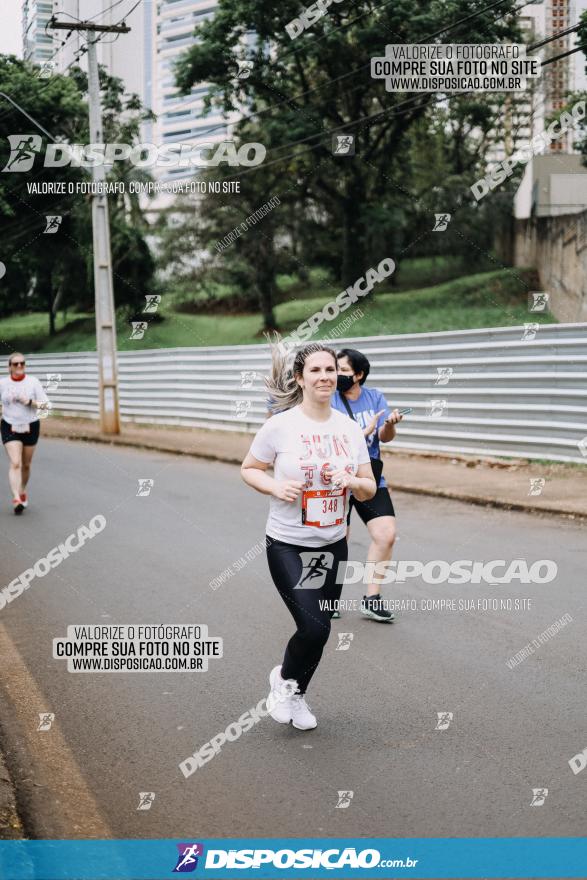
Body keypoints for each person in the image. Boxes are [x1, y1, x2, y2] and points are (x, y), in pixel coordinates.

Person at [241, 342, 376, 730]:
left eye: (330, 370)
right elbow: (249, 468)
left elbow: (368, 487)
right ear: (299, 378)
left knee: (320, 628)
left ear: (339, 375)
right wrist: (273, 488)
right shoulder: (280, 426)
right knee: (313, 625)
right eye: (315, 370)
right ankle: (285, 683)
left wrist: (350, 480)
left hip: (332, 544)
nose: (324, 377)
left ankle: (295, 692)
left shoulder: (349, 429)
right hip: (287, 543)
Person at [331, 348, 402, 623]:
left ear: (359, 374)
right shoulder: (330, 401)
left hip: (369, 475)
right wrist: (363, 433)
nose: (337, 375)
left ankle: (372, 599)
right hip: (337, 476)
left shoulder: (374, 397)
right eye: (336, 369)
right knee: (338, 538)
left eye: (343, 371)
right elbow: (331, 442)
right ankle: (329, 599)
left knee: (386, 534)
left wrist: (390, 425)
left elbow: (385, 437)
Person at [0, 353, 49, 514]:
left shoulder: (33, 382)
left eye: (22, 363)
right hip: (9, 425)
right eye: (16, 364)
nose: (19, 366)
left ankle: (21, 490)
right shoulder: (3, 383)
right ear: (9, 367)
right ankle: (16, 498)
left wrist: (29, 402)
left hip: (31, 425)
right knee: (15, 462)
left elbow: (45, 407)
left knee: (26, 464)